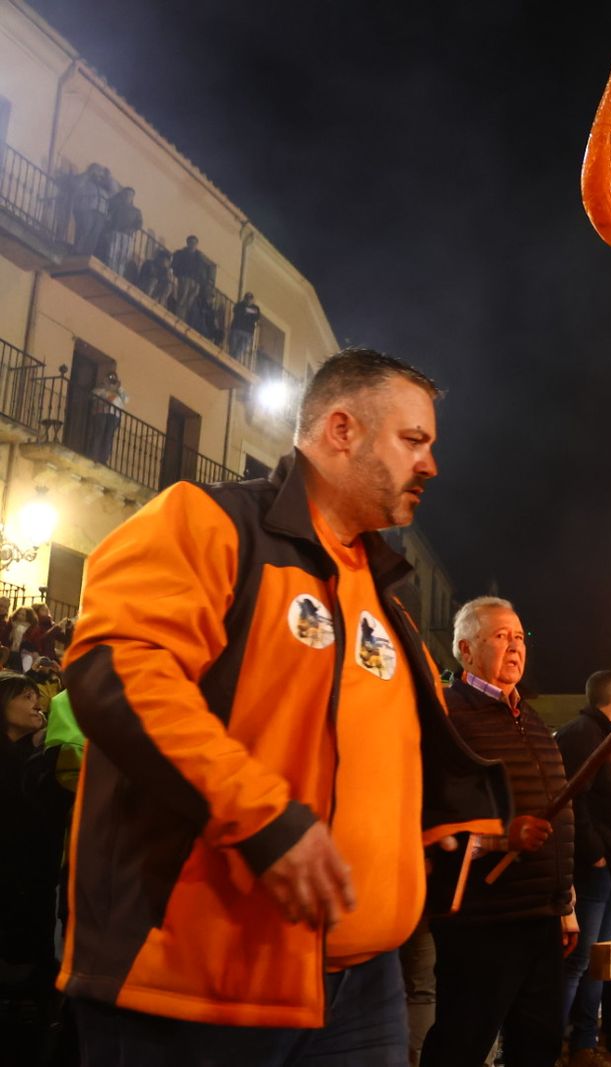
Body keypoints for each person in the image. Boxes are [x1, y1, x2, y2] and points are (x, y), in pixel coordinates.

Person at [59, 348, 511, 1061]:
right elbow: (119, 671)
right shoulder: (204, 522)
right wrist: (266, 818)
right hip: (201, 984)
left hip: (365, 990)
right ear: (341, 429)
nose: (431, 465)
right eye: (413, 440)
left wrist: (440, 818)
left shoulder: (385, 599)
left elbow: (388, 742)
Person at [420, 597, 576, 1067]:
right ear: (465, 650)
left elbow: (558, 811)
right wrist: (497, 839)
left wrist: (565, 903)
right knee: (463, 1042)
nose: (516, 646)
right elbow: (427, 813)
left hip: (542, 915)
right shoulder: (445, 717)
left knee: (539, 1044)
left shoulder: (529, 717)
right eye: (501, 636)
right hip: (481, 920)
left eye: (520, 636)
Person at [556, 671, 611, 1067]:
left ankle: (585, 1041)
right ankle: (548, 1044)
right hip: (594, 869)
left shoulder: (608, 736)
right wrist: (595, 851)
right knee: (577, 961)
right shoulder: (584, 734)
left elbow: (607, 802)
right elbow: (574, 798)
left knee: (598, 961)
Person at [0, 672, 61, 1064]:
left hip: (35, 877)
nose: (37, 702)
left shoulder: (34, 757)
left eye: (36, 696)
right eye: (26, 696)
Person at [88, 371, 126, 466]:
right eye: (110, 378)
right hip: (102, 413)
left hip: (114, 415)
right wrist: (105, 386)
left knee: (108, 437)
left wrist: (119, 387)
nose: (112, 380)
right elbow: (94, 395)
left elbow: (126, 399)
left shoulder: (119, 392)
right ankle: (94, 456)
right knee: (99, 434)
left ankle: (103, 459)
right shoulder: (101, 389)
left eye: (114, 379)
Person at [104, 186, 142, 279]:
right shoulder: (117, 206)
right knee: (112, 253)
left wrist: (131, 230)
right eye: (125, 194)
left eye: (130, 194)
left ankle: (119, 275)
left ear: (132, 197)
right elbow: (109, 216)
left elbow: (139, 224)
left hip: (127, 236)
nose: (127, 196)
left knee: (123, 256)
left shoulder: (136, 211)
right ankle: (110, 271)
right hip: (115, 232)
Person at [171, 234, 205, 322]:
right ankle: (179, 315)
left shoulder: (199, 257)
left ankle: (184, 317)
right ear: (188, 243)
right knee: (183, 295)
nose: (193, 244)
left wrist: (198, 283)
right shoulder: (182, 253)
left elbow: (200, 271)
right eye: (191, 242)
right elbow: (176, 265)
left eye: (194, 243)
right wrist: (178, 275)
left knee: (190, 299)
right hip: (184, 277)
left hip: (194, 281)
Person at [231, 291, 262, 361]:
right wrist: (249, 311)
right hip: (237, 329)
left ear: (252, 300)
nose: (248, 300)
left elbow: (257, 316)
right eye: (247, 298)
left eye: (250, 298)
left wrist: (246, 310)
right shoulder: (240, 305)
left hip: (247, 332)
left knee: (241, 349)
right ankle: (231, 360)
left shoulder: (255, 308)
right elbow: (235, 310)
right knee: (233, 347)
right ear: (245, 299)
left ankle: (234, 360)